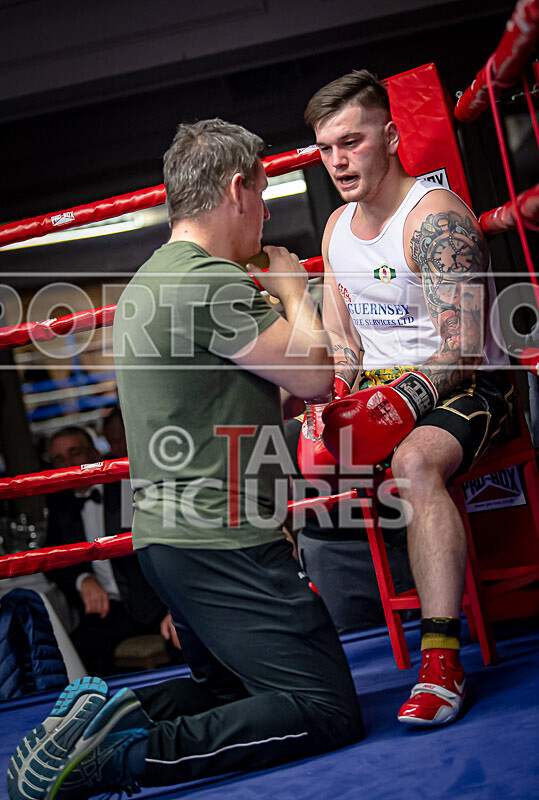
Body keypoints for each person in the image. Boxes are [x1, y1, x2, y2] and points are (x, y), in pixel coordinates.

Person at [8, 119, 362, 800]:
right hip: (219, 542)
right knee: (325, 711)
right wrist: (292, 288)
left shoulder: (148, 283)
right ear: (235, 189)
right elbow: (315, 380)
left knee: (228, 692)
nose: (265, 211)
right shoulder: (206, 282)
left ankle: (103, 720)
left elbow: (244, 396)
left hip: (172, 542)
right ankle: (114, 759)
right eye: (262, 194)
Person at [301, 70, 513, 726]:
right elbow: (345, 339)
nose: (338, 160)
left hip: (469, 386)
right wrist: (336, 400)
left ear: (389, 137)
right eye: (326, 148)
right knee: (281, 460)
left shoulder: (433, 221)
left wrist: (394, 405)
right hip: (382, 389)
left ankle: (442, 662)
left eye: (352, 141)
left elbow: (462, 348)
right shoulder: (336, 228)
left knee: (413, 464)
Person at [45, 426, 169, 676]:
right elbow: (52, 559)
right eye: (59, 459)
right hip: (109, 612)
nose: (68, 463)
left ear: (93, 453)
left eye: (75, 453)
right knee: (67, 655)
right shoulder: (60, 502)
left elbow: (162, 545)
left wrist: (174, 606)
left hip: (154, 601)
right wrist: (83, 579)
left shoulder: (125, 486)